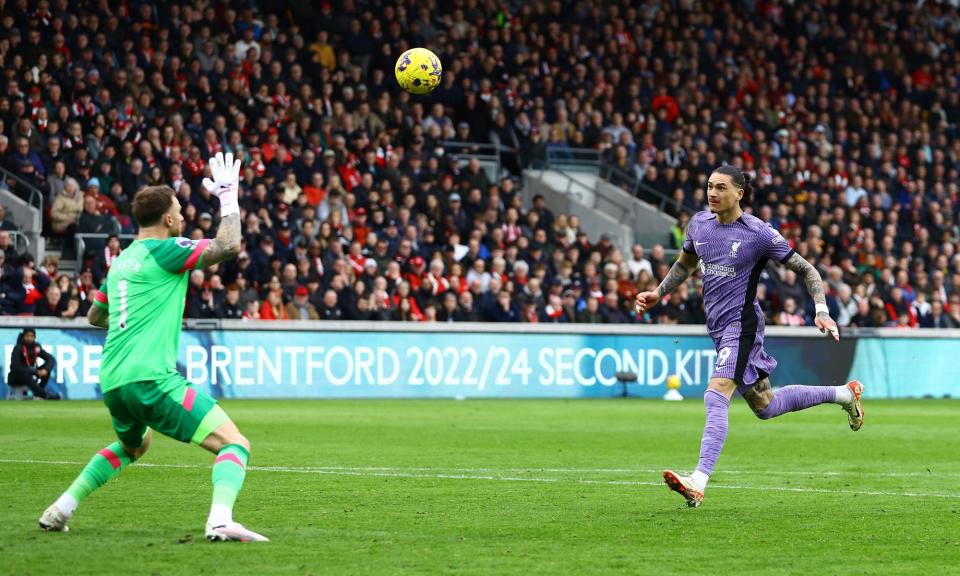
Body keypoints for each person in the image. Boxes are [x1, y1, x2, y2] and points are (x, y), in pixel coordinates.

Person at [39, 153, 268, 542]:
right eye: (178, 211)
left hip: (112, 380)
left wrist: (136, 317)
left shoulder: (122, 261)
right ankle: (219, 520)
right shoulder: (168, 249)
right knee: (235, 443)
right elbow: (228, 245)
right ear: (167, 220)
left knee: (135, 444)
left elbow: (96, 316)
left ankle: (61, 507)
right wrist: (229, 198)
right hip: (150, 378)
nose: (181, 216)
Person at [634, 165, 863, 508]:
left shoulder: (759, 233)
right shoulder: (698, 223)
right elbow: (685, 264)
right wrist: (659, 292)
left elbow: (807, 269)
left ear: (739, 193)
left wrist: (822, 309)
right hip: (718, 327)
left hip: (741, 326)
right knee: (765, 406)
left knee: (716, 394)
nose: (712, 193)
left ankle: (698, 481)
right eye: (709, 186)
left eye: (721, 187)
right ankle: (844, 394)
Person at [7, 328, 59, 399]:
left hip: (32, 374)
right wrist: (35, 371)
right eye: (27, 336)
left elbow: (51, 359)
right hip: (16, 377)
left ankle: (38, 393)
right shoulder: (18, 348)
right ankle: (44, 396)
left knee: (46, 370)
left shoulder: (36, 347)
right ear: (23, 336)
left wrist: (45, 370)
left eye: (32, 336)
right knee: (25, 374)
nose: (29, 338)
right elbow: (16, 367)